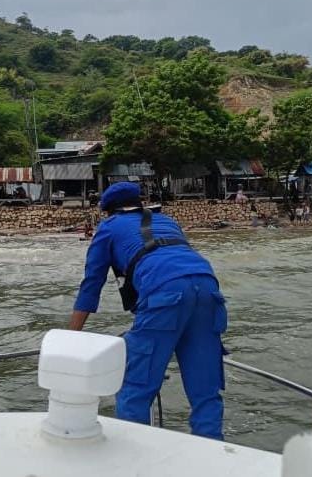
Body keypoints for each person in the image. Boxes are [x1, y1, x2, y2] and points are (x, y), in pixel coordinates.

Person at [68, 182, 227, 440]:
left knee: (135, 389)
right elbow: (172, 258)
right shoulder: (167, 221)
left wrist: (70, 336)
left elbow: (91, 285)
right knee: (205, 392)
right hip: (208, 286)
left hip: (164, 292)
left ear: (108, 211)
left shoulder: (108, 228)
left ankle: (135, 453)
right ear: (139, 203)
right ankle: (213, 452)